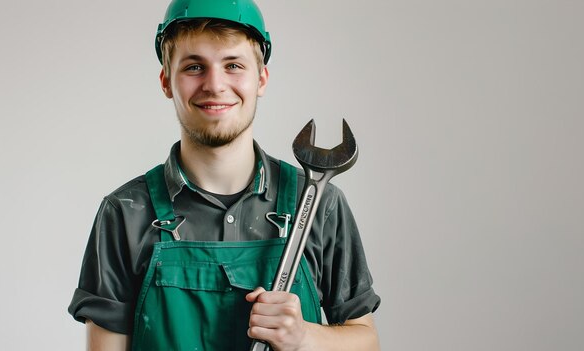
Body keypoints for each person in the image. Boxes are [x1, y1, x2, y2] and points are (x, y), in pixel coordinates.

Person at [68, 0, 381, 349]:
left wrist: (304, 336)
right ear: (166, 81)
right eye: (193, 67)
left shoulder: (320, 203)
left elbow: (365, 340)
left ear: (260, 79)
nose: (215, 85)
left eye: (233, 65)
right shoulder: (125, 213)